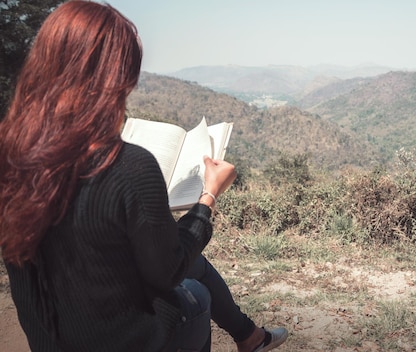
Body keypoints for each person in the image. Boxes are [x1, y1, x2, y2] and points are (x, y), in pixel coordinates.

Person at [0, 1, 287, 351]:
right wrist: (208, 196)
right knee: (194, 291)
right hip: (128, 341)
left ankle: (249, 336)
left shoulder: (12, 158)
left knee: (191, 260)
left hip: (52, 339)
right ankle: (246, 337)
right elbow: (166, 271)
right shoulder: (129, 167)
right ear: (117, 79)